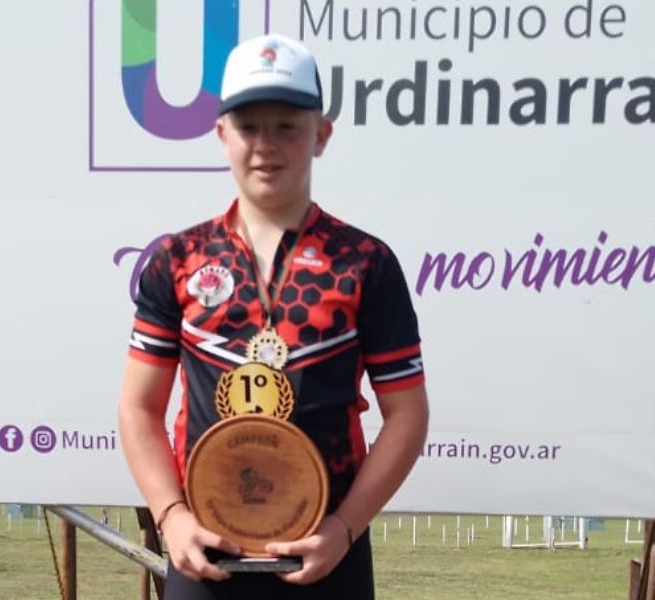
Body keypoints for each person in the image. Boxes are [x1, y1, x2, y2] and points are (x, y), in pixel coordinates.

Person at [118, 33, 429, 599]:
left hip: (327, 552)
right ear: (221, 135)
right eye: (248, 125)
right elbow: (138, 408)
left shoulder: (366, 262)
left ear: (322, 134)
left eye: (287, 123)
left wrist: (343, 528)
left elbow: (407, 415)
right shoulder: (177, 260)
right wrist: (172, 518)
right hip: (204, 549)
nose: (266, 143)